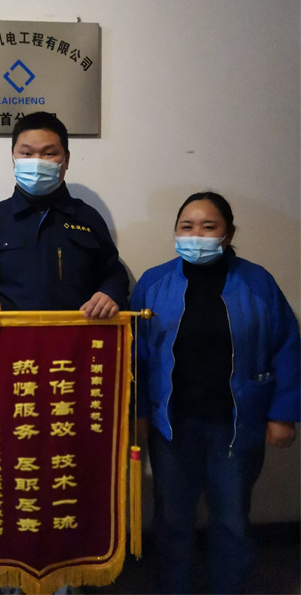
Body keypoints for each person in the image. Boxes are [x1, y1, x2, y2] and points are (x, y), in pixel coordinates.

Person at [129, 191, 300, 594]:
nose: (196, 235)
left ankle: (228, 586)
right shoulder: (154, 282)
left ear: (228, 233)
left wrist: (283, 415)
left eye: (209, 227)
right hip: (172, 426)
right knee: (172, 518)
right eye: (186, 226)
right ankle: (175, 586)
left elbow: (287, 347)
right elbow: (135, 355)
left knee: (231, 517)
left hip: (237, 425)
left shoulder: (257, 282)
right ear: (175, 231)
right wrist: (138, 412)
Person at [0, 111, 129, 321]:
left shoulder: (87, 218)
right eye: (27, 153)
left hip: (75, 337)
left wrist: (110, 294)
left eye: (48, 154)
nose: (37, 162)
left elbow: (114, 274)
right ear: (13, 159)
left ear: (66, 159)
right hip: (9, 338)